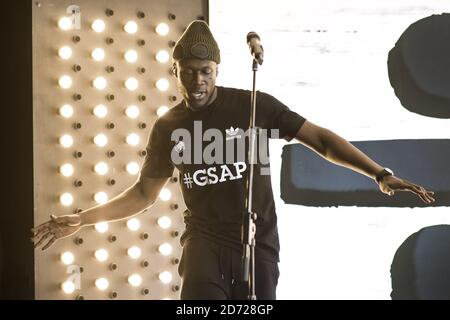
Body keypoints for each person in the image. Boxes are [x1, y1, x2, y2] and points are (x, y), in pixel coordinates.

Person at [32, 20, 435, 300]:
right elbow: (143, 195)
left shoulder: (252, 106)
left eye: (205, 71)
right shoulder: (168, 127)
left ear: (217, 69)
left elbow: (321, 141)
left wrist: (379, 174)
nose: (197, 81)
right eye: (187, 72)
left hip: (258, 244)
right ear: (175, 72)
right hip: (204, 244)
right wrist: (83, 218)